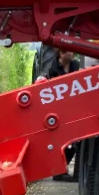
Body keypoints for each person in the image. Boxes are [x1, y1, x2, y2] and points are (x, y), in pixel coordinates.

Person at [32, 46, 81, 179]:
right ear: (62, 53)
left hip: (72, 108)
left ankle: (61, 169)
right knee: (62, 141)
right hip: (58, 110)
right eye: (71, 51)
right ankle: (58, 172)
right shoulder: (52, 68)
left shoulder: (75, 65)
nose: (74, 53)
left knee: (75, 141)